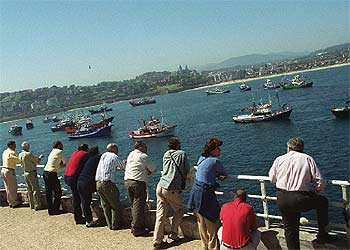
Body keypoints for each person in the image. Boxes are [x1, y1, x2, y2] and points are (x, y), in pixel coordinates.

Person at [269, 137, 337, 249]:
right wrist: (317, 190)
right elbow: (320, 181)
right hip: (299, 198)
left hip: (282, 198)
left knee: (290, 229)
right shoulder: (307, 158)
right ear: (302, 148)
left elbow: (272, 179)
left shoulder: (279, 159)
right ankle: (322, 234)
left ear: (289, 148)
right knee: (323, 202)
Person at [188, 137, 228, 250]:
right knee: (211, 221)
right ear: (213, 150)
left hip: (196, 190)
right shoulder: (215, 161)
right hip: (205, 193)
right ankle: (213, 247)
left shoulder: (201, 159)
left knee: (201, 221)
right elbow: (224, 173)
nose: (220, 151)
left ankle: (204, 246)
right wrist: (219, 176)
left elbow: (204, 171)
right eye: (218, 148)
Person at [153, 137, 190, 250]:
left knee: (160, 215)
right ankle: (174, 233)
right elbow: (186, 169)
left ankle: (157, 242)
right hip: (170, 188)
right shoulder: (181, 154)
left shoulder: (166, 154)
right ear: (177, 145)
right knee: (179, 210)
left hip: (160, 186)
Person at [124, 141, 157, 237]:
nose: (147, 148)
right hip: (137, 182)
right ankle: (137, 229)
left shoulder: (131, 154)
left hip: (128, 181)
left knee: (134, 205)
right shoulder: (143, 156)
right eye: (145, 146)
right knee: (138, 206)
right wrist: (148, 171)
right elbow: (153, 168)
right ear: (140, 147)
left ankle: (134, 226)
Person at [95, 143, 125, 230]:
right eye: (117, 149)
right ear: (114, 149)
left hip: (98, 182)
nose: (118, 151)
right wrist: (124, 163)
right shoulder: (114, 156)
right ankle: (115, 225)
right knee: (115, 204)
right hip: (107, 183)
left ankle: (109, 225)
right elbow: (124, 167)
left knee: (105, 205)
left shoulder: (103, 155)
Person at [64, 143, 89, 224]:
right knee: (81, 197)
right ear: (86, 149)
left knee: (76, 197)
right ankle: (84, 218)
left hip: (67, 176)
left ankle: (78, 217)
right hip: (73, 178)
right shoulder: (85, 154)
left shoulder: (74, 153)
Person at [77, 146, 101, 227]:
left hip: (80, 181)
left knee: (85, 203)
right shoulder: (97, 158)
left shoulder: (89, 159)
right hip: (87, 183)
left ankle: (88, 221)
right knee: (88, 201)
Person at [18, 141, 45, 210]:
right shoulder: (28, 154)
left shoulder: (20, 154)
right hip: (31, 173)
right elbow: (37, 161)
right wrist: (40, 157)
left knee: (29, 189)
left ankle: (32, 205)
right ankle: (37, 205)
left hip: (25, 172)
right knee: (35, 189)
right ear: (27, 147)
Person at [43, 141, 66, 215]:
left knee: (49, 193)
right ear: (59, 145)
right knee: (58, 192)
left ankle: (50, 210)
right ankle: (56, 209)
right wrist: (61, 165)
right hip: (52, 174)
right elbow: (64, 164)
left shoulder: (52, 151)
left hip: (45, 172)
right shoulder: (60, 151)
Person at [1, 141, 21, 208]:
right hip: (9, 171)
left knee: (8, 187)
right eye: (14, 145)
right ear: (11, 146)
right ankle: (14, 203)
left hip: (3, 170)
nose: (15, 147)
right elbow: (18, 160)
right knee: (13, 187)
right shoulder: (11, 152)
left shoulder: (5, 152)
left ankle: (10, 202)